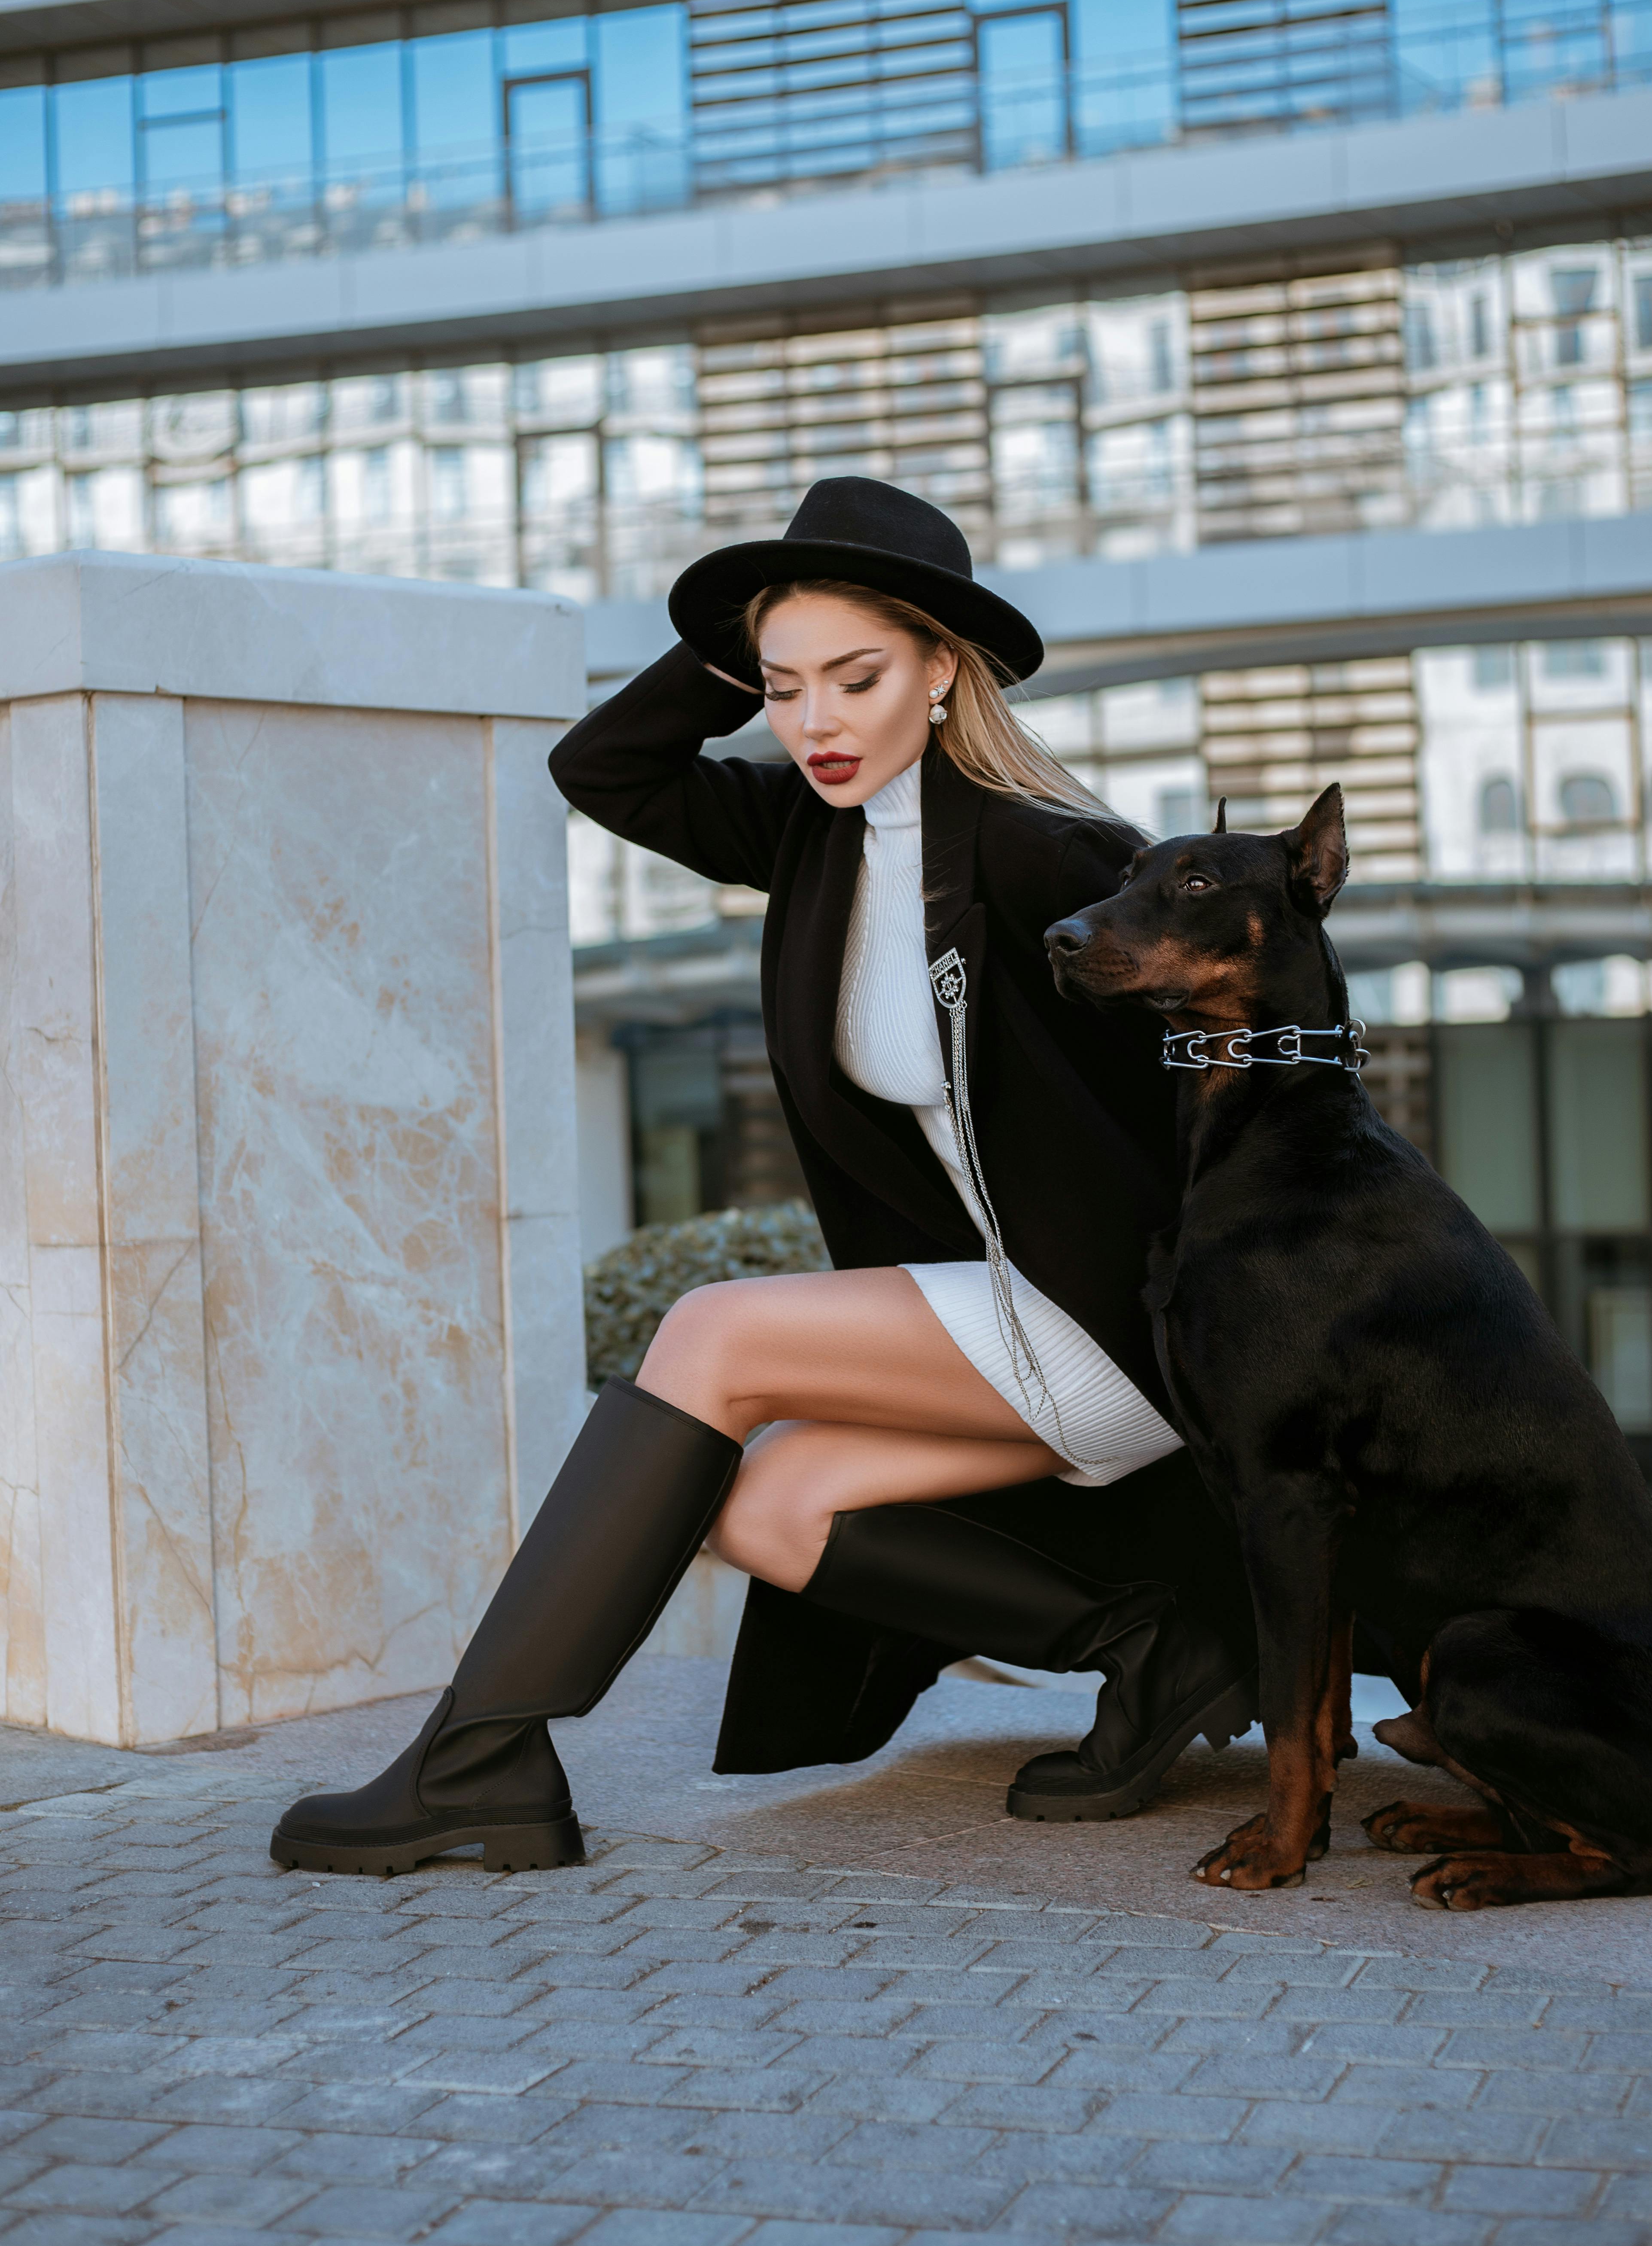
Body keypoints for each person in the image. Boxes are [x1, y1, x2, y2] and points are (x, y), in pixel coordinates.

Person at [271, 478, 1255, 1877]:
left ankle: (479, 1761)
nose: (816, 725)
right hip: (1003, 1314)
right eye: (785, 690)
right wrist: (741, 640)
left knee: (712, 1336)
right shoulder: (811, 831)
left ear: (942, 669)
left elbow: (1228, 1084)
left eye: (858, 678)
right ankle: (1156, 1646)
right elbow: (606, 769)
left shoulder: (1053, 854)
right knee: (770, 1508)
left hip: (1120, 1318)